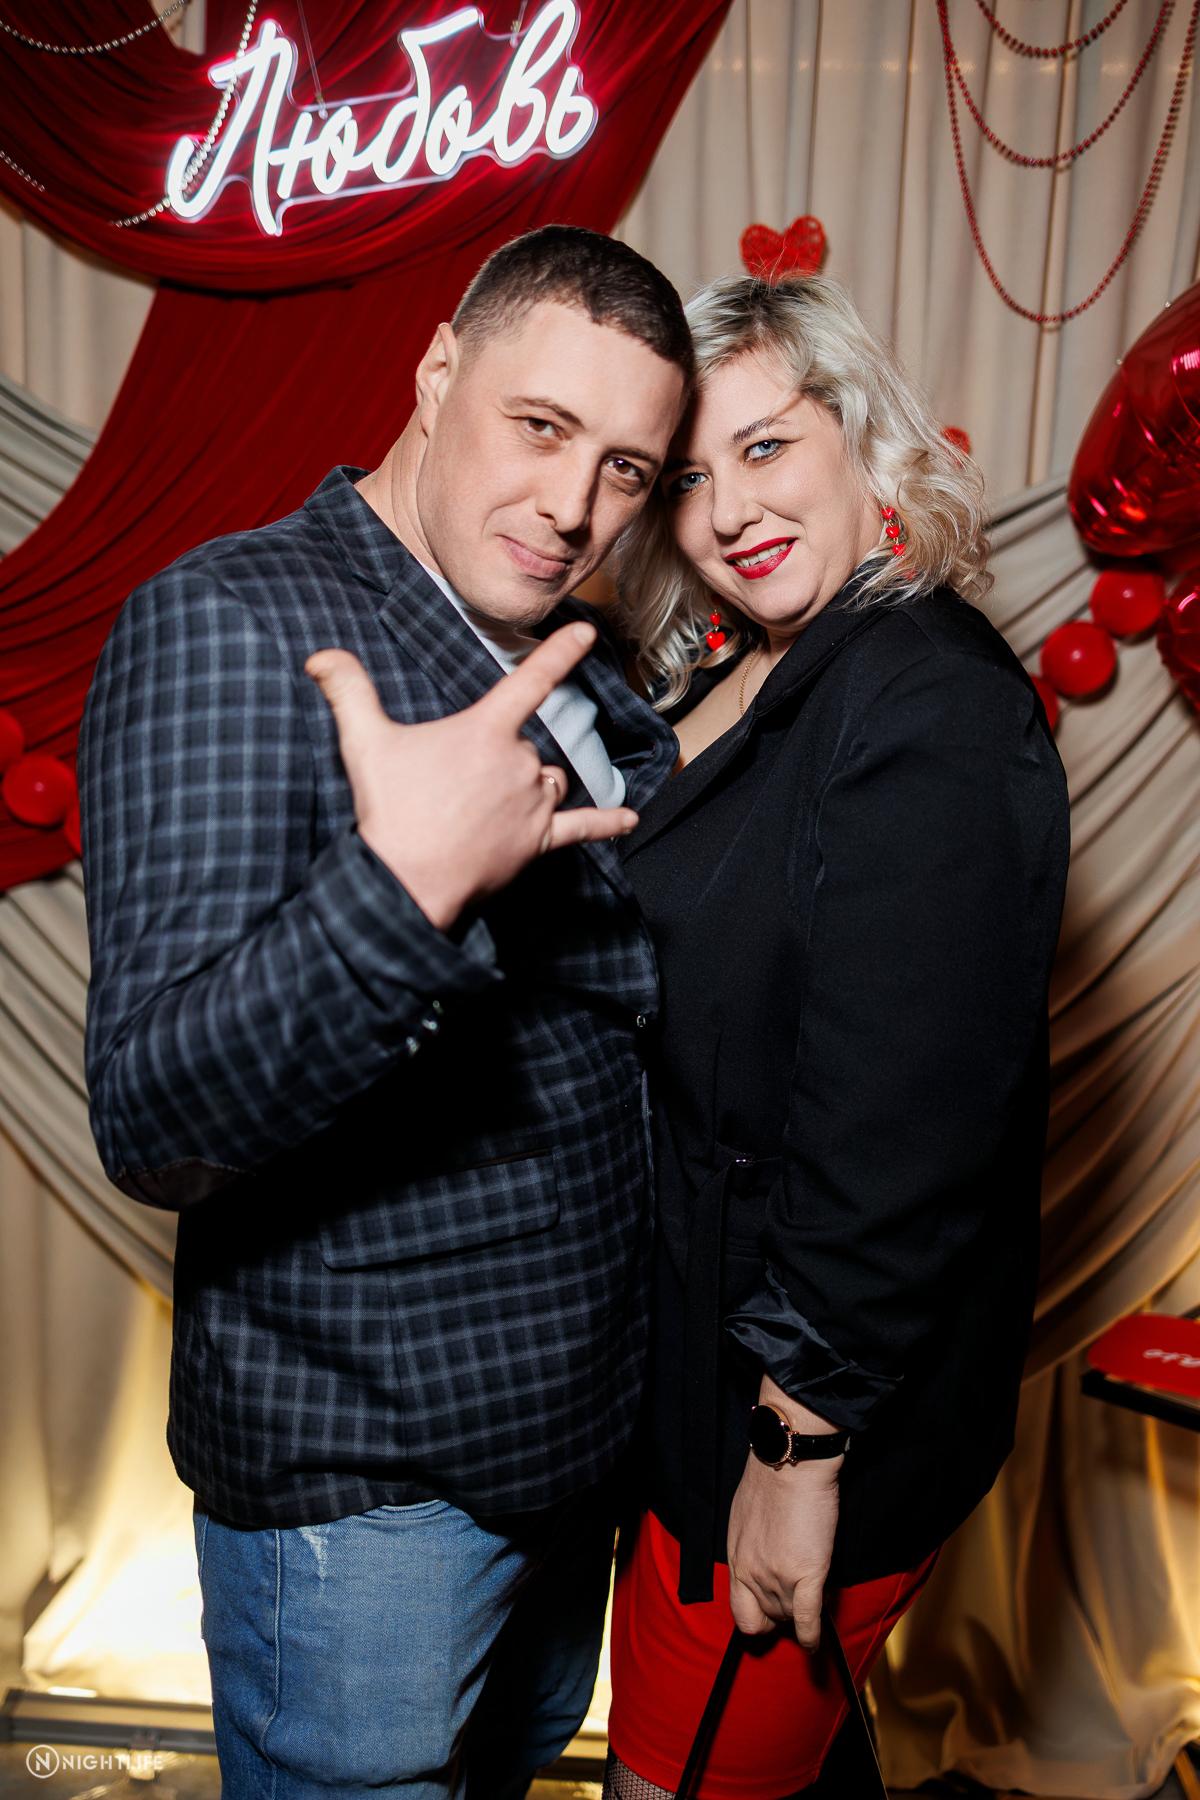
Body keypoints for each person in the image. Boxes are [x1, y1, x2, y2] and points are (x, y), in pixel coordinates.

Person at [77, 224, 692, 1800]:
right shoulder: (234, 620)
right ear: (435, 374)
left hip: (567, 1455)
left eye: (625, 469)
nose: (573, 505)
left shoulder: (571, 654)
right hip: (369, 1495)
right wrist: (400, 893)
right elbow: (153, 1116)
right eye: (539, 426)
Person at [602, 274, 1071, 1800]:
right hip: (695, 1376)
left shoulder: (929, 699)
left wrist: (796, 1455)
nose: (730, 510)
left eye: (767, 447)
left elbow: (900, 1130)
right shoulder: (750, 665)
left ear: (862, 436)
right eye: (688, 478)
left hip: (803, 1417)